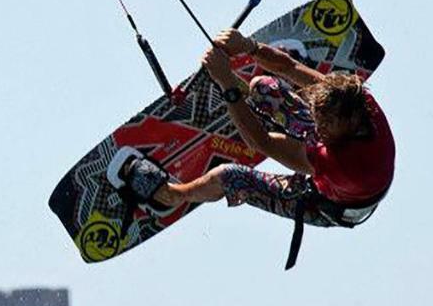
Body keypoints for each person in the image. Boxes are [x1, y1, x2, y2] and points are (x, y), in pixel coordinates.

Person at [118, 28, 395, 266]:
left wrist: (226, 82)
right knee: (264, 88)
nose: (318, 129)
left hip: (331, 202)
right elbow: (290, 68)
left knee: (229, 176)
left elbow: (260, 143)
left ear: (349, 121)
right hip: (343, 145)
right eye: (318, 120)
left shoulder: (341, 165)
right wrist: (248, 46)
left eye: (324, 125)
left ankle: (171, 195)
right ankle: (248, 104)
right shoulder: (354, 100)